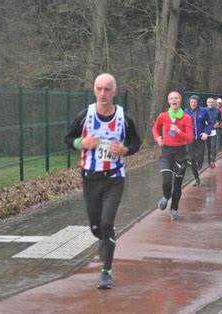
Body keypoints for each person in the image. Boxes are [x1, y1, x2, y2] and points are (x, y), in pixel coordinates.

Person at [64, 73, 141, 289]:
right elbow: (68, 138)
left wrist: (125, 150)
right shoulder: (85, 116)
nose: (102, 93)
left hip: (114, 179)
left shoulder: (124, 118)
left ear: (115, 92)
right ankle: (105, 240)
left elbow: (136, 142)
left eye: (107, 89)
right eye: (99, 89)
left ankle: (106, 271)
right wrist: (82, 142)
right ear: (94, 90)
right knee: (97, 227)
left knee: (107, 223)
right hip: (90, 179)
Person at [152, 91, 193, 221]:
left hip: (181, 153)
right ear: (169, 101)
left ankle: (174, 209)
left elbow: (190, 139)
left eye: (176, 98)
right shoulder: (163, 116)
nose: (174, 100)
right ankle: (165, 196)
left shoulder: (186, 118)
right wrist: (157, 138)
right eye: (171, 98)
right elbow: (154, 129)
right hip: (166, 152)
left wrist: (178, 131)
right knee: (166, 181)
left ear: (180, 101)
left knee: (177, 185)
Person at [184, 95, 211, 186]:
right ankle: (196, 178)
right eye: (191, 102)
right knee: (191, 159)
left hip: (200, 138)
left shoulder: (203, 111)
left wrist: (206, 133)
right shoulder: (185, 112)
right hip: (190, 139)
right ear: (189, 103)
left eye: (195, 102)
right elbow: (182, 124)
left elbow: (210, 123)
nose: (193, 104)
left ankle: (200, 164)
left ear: (197, 103)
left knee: (200, 158)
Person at [205, 97, 222, 169]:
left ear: (214, 103)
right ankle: (209, 161)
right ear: (207, 103)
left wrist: (217, 123)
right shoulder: (204, 110)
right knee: (208, 147)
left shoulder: (217, 110)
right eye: (209, 102)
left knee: (213, 146)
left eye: (212, 102)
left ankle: (213, 161)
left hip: (214, 130)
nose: (210, 103)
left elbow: (219, 120)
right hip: (206, 130)